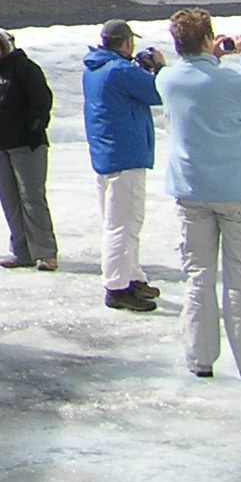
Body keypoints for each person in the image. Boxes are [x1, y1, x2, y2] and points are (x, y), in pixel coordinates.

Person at [156, 8, 241, 380]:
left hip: (191, 191)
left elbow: (196, 72)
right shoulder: (227, 83)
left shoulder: (168, 79)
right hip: (236, 191)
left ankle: (199, 357)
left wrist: (211, 55)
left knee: (199, 277)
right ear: (209, 39)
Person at [81, 20, 163, 312]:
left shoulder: (95, 69)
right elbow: (158, 92)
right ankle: (116, 286)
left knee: (120, 222)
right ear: (127, 43)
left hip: (106, 155)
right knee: (124, 225)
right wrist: (158, 68)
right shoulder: (121, 70)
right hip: (125, 156)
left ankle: (131, 275)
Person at [0, 29, 57, 270]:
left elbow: (42, 101)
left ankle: (45, 251)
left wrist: (34, 127)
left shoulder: (25, 69)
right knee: (10, 200)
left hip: (26, 145)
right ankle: (22, 251)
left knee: (32, 198)